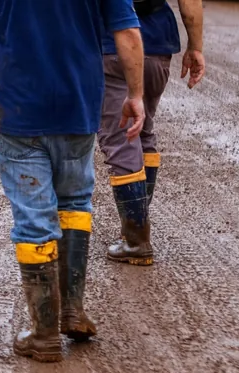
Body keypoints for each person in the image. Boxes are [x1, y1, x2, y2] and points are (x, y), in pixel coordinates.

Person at [0, 0, 145, 362]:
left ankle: (44, 333)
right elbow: (127, 31)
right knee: (75, 203)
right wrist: (135, 95)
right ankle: (71, 311)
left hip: (21, 113)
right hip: (78, 109)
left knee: (34, 217)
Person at [99, 0, 205, 266]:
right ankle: (135, 227)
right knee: (142, 131)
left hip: (111, 44)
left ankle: (136, 241)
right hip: (157, 46)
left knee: (123, 137)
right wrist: (195, 47)